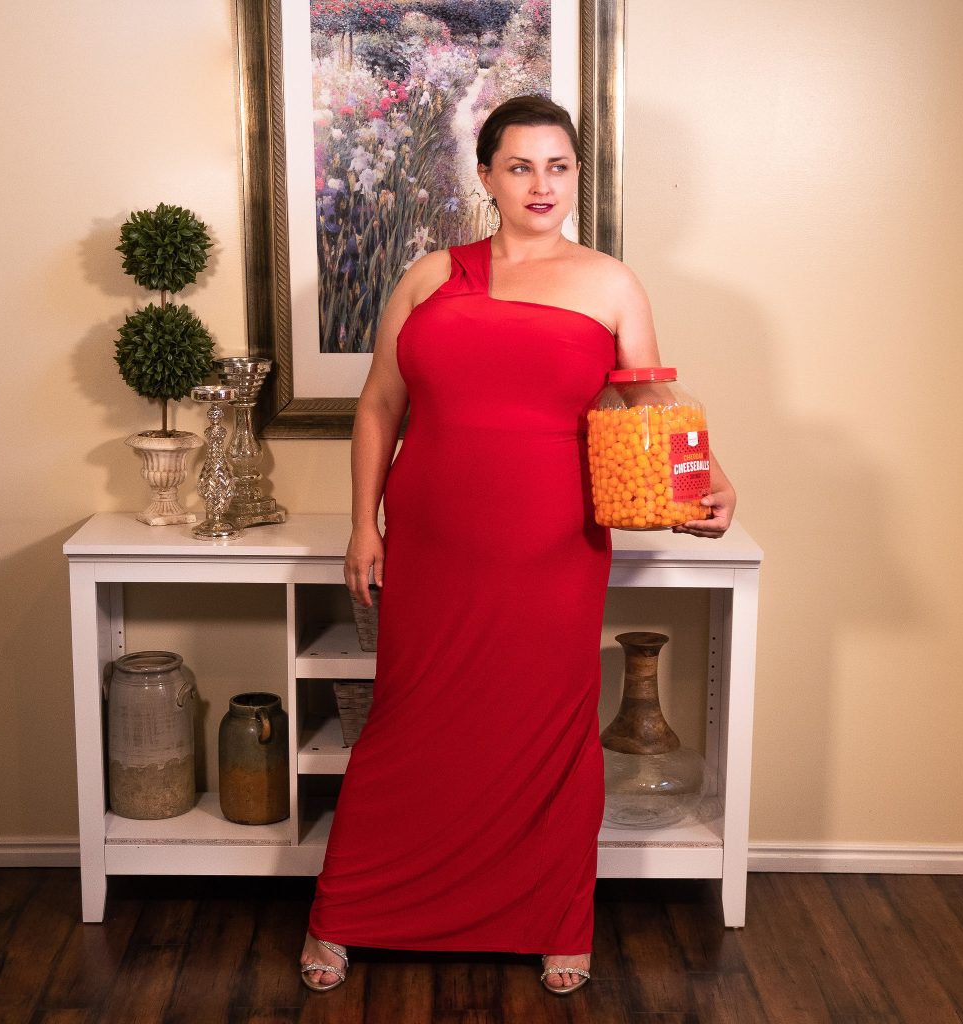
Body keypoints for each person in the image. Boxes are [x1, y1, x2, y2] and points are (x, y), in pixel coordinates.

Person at [299, 95, 736, 997]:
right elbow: (381, 405)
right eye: (522, 166)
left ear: (578, 175)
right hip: (431, 537)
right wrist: (360, 523)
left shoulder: (613, 282)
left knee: (548, 729)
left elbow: (653, 402)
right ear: (488, 175)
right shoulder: (426, 276)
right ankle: (349, 912)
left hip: (554, 540)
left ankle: (553, 917)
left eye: (560, 166)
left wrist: (708, 476)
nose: (543, 185)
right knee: (409, 722)